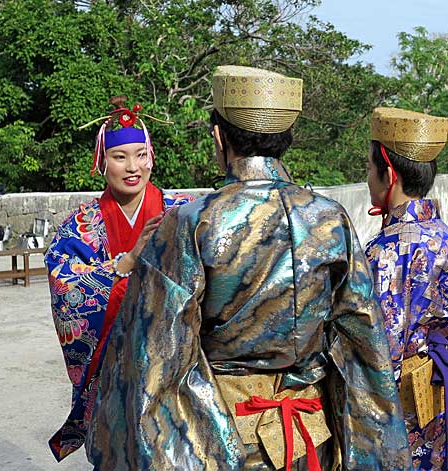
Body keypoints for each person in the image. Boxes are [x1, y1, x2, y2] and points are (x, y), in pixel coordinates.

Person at [87, 66, 412, 470]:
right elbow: (364, 342)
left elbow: (155, 355)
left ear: (219, 138)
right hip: (313, 436)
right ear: (286, 140)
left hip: (223, 438)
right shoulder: (331, 219)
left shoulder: (192, 222)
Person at [45, 96, 193, 462]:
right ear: (102, 161)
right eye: (120, 156)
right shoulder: (79, 227)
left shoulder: (183, 212)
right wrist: (125, 264)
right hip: (111, 371)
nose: (133, 167)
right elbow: (66, 288)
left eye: (140, 155)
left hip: (173, 369)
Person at [364, 107, 448, 471]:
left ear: (388, 174)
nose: (368, 178)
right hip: (445, 396)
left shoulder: (380, 254)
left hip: (399, 411)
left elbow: (374, 353)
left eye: (369, 169)